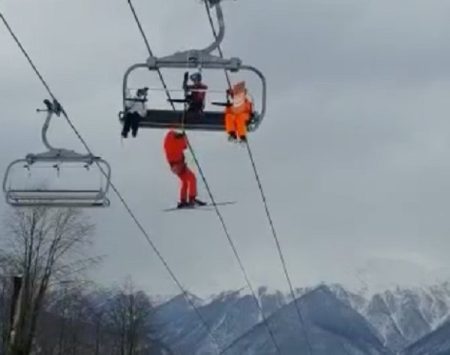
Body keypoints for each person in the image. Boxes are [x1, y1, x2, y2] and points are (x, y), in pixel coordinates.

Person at [163, 130, 206, 208]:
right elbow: (184, 146)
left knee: (185, 180)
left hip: (175, 165)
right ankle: (192, 199)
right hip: (178, 165)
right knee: (192, 178)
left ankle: (183, 200)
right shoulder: (176, 142)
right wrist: (184, 138)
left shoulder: (169, 139)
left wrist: (181, 137)